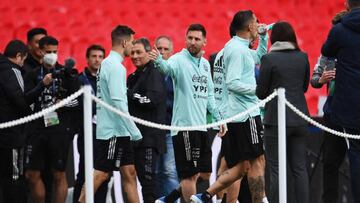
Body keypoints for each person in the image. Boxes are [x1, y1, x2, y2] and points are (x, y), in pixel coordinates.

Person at [190, 10, 269, 203]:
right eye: (256, 22)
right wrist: (258, 90)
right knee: (257, 161)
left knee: (240, 166)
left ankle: (205, 195)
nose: (259, 25)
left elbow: (258, 57)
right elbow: (232, 83)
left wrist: (264, 37)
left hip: (233, 115)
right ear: (250, 26)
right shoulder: (237, 50)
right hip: (245, 114)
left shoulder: (231, 48)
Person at [149, 24, 226, 203]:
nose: (193, 42)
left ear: (204, 42)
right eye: (190, 38)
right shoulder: (178, 59)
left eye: (197, 39)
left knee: (205, 173)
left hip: (201, 127)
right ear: (185, 39)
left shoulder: (206, 64)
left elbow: (209, 95)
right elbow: (166, 69)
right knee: (189, 176)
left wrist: (219, 119)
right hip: (184, 128)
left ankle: (171, 197)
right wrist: (159, 61)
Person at [78, 25, 142, 203]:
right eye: (132, 42)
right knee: (101, 174)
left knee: (129, 173)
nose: (133, 46)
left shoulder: (109, 64)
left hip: (119, 130)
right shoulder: (115, 67)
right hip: (113, 131)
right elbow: (118, 103)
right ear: (124, 42)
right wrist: (135, 131)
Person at [256, 21, 310, 203]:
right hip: (300, 118)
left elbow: (261, 93)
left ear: (274, 38)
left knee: (276, 169)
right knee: (300, 169)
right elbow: (303, 87)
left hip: (275, 121)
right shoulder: (303, 57)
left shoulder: (269, 59)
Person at [25, 36, 80, 203]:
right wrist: (42, 84)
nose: (52, 55)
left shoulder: (67, 74)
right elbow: (25, 100)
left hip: (59, 129)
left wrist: (61, 103)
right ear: (40, 52)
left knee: (58, 174)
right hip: (36, 129)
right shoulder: (32, 74)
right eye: (48, 52)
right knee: (32, 174)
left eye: (55, 52)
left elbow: (78, 100)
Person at [321, 0, 360, 201]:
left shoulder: (340, 30)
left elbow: (326, 50)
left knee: (355, 155)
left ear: (346, 4)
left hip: (349, 105)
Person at [310, 10, 348, 203]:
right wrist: (321, 78)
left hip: (352, 115)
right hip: (332, 116)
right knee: (330, 163)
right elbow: (314, 79)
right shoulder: (328, 54)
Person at [127, 37, 167, 203]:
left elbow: (152, 100)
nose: (135, 56)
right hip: (136, 137)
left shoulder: (155, 72)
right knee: (142, 180)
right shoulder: (133, 76)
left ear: (149, 52)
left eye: (139, 52)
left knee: (149, 182)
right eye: (132, 52)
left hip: (150, 138)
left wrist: (129, 95)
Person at [73, 44, 110, 203]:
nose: (97, 60)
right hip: (87, 133)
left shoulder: (108, 79)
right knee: (84, 173)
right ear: (87, 59)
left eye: (100, 57)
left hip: (106, 133)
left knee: (103, 175)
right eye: (94, 56)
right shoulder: (79, 80)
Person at [0, 39, 31, 203]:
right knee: (13, 178)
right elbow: (21, 101)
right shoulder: (13, 71)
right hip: (11, 135)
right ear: (19, 56)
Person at [154, 36, 180, 199]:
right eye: (159, 48)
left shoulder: (176, 74)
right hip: (153, 130)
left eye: (165, 49)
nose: (162, 52)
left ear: (171, 52)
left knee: (169, 171)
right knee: (155, 172)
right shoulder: (149, 72)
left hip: (171, 128)